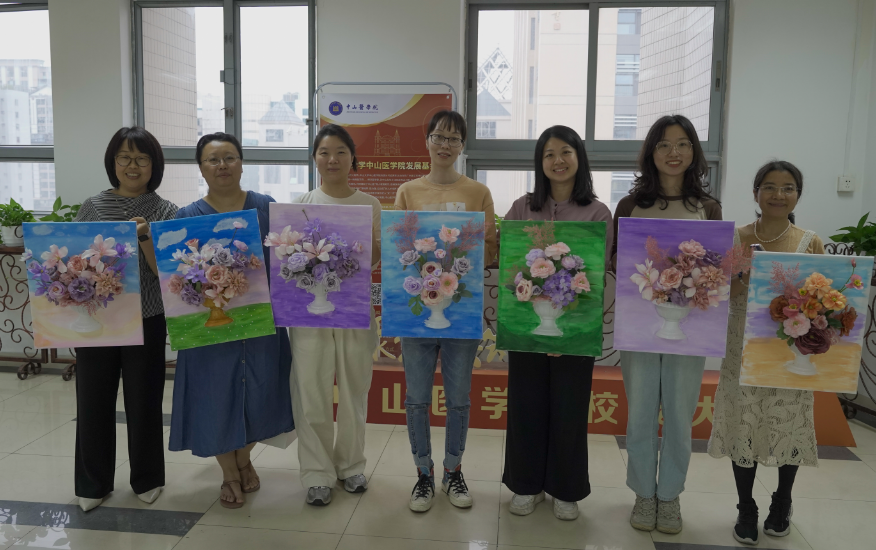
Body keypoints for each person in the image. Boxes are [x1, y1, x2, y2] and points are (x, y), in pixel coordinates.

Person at [168, 132, 294, 509]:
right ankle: (229, 472)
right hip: (209, 329)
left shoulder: (266, 207)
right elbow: (174, 278)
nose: (221, 165)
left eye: (229, 157)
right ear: (201, 168)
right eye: (213, 159)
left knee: (263, 391)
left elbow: (287, 260)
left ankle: (243, 457)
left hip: (261, 323)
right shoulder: (186, 217)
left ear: (241, 163)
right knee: (213, 397)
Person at [612, 114, 722, 534]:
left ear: (694, 151)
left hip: (689, 331)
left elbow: (715, 268)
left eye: (682, 144)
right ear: (651, 152)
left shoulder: (707, 208)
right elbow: (619, 264)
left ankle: (670, 494)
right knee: (640, 411)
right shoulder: (630, 206)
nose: (673, 153)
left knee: (679, 414)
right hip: (640, 328)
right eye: (664, 145)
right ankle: (644, 492)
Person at [708, 161, 824, 546]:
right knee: (744, 421)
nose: (778, 194)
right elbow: (719, 293)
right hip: (742, 344)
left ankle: (782, 502)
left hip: (792, 347)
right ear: (756, 192)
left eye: (788, 187)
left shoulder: (810, 241)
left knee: (787, 421)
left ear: (797, 195)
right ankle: (746, 507)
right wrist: (741, 278)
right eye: (770, 186)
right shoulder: (736, 237)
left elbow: (824, 300)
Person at [502, 125, 613, 521]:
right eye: (549, 154)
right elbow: (510, 268)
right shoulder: (521, 208)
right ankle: (526, 485)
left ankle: (566, 489)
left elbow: (596, 278)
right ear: (540, 163)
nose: (558, 160)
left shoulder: (598, 213)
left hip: (575, 332)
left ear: (579, 157)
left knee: (569, 410)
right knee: (526, 406)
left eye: (565, 151)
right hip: (528, 328)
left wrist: (566, 332)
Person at [394, 109, 498, 512]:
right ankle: (424, 474)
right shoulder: (408, 191)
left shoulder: (479, 192)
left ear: (462, 146)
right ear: (427, 142)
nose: (445, 145)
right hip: (417, 314)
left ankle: (453, 471)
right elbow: (397, 251)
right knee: (417, 399)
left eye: (453, 139)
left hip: (461, 312)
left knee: (458, 399)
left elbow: (490, 252)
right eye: (438, 136)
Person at [73, 126, 179, 512]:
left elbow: (168, 274)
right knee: (92, 400)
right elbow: (75, 262)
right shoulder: (93, 207)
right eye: (124, 157)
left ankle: (147, 478)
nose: (132, 165)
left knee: (144, 400)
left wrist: (146, 238)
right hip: (97, 320)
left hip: (147, 318)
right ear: (113, 162)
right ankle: (92, 483)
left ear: (154, 165)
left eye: (142, 158)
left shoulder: (166, 211)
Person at [289, 124, 381, 506]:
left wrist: (365, 244)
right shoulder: (300, 204)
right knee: (311, 391)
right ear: (315, 158)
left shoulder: (370, 204)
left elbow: (375, 259)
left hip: (354, 310)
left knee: (355, 389)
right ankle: (317, 473)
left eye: (341, 151)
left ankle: (351, 465)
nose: (332, 159)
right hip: (309, 313)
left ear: (352, 158)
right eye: (325, 152)